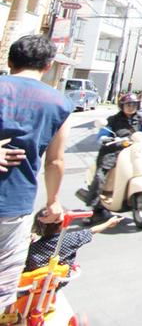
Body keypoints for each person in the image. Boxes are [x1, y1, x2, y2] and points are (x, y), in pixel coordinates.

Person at [0, 35, 73, 312]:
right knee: (3, 289)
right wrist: (53, 201)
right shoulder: (59, 103)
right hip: (15, 206)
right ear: (48, 66)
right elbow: (55, 161)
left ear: (10, 61)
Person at [76, 94, 142, 219]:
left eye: (133, 104)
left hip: (135, 150)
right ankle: (93, 207)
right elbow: (103, 133)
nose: (131, 107)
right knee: (101, 174)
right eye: (128, 105)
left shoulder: (141, 119)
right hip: (113, 150)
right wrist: (106, 138)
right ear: (122, 106)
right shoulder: (113, 119)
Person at [24, 209, 122, 272]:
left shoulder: (32, 248)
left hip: (33, 284)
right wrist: (108, 223)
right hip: (57, 281)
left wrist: (28, 243)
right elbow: (92, 231)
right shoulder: (70, 239)